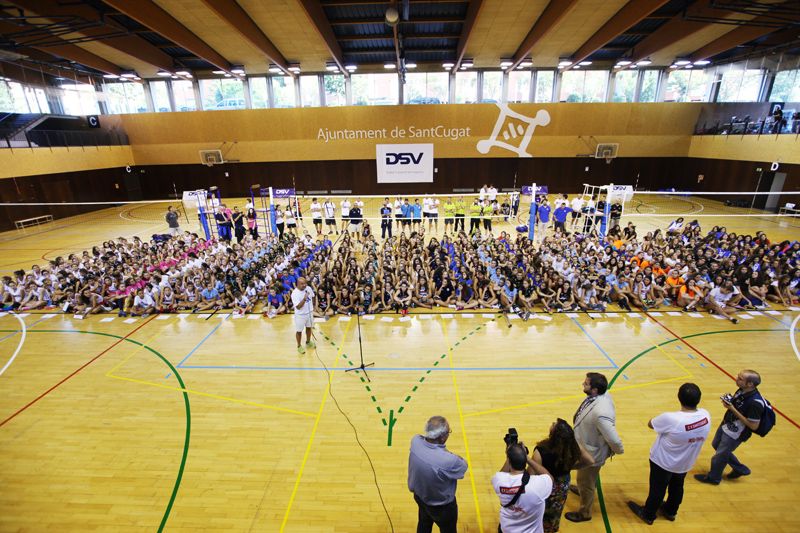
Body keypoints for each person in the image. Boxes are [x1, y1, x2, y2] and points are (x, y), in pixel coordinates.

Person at [627, 383, 711, 525]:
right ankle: (671, 511)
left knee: (658, 488)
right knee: (677, 486)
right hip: (686, 461)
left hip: (663, 462)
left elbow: (651, 424)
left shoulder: (672, 418)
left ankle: (648, 514)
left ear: (679, 397)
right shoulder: (705, 415)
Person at [565, 372, 624, 523]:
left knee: (587, 482)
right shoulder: (599, 397)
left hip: (592, 453)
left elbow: (613, 439)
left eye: (586, 384)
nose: (582, 384)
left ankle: (585, 513)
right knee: (584, 478)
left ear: (595, 390)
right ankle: (581, 488)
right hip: (586, 446)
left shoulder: (601, 413)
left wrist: (617, 451)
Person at [694, 370, 764, 485]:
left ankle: (714, 478)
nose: (736, 378)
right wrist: (730, 401)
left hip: (736, 433)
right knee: (716, 444)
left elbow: (753, 425)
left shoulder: (755, 403)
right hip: (727, 425)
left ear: (750, 384)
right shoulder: (742, 390)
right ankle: (740, 468)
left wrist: (732, 408)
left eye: (740, 378)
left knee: (719, 456)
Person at [408, 416, 468, 533]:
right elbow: (462, 466)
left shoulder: (415, 441)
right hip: (442, 507)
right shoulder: (449, 461)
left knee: (424, 523)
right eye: (448, 432)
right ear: (442, 438)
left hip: (420, 497)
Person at [533, 419, 593, 532]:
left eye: (554, 425)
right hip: (562, 485)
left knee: (538, 512)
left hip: (545, 485)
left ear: (554, 434)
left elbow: (531, 475)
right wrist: (571, 467)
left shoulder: (541, 451)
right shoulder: (572, 446)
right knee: (554, 513)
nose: (552, 423)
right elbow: (590, 461)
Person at [492, 441, 554, 533]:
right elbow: (549, 477)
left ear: (509, 461)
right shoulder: (538, 485)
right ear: (524, 461)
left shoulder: (499, 480)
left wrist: (510, 454)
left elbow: (501, 474)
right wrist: (527, 458)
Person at [291, 277, 315, 354]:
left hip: (309, 313)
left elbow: (313, 297)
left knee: (309, 328)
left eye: (305, 283)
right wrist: (304, 299)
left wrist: (312, 307)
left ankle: (308, 342)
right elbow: (298, 307)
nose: (304, 285)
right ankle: (299, 346)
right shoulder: (295, 293)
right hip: (300, 315)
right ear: (297, 284)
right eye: (302, 284)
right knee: (299, 331)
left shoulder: (308, 288)